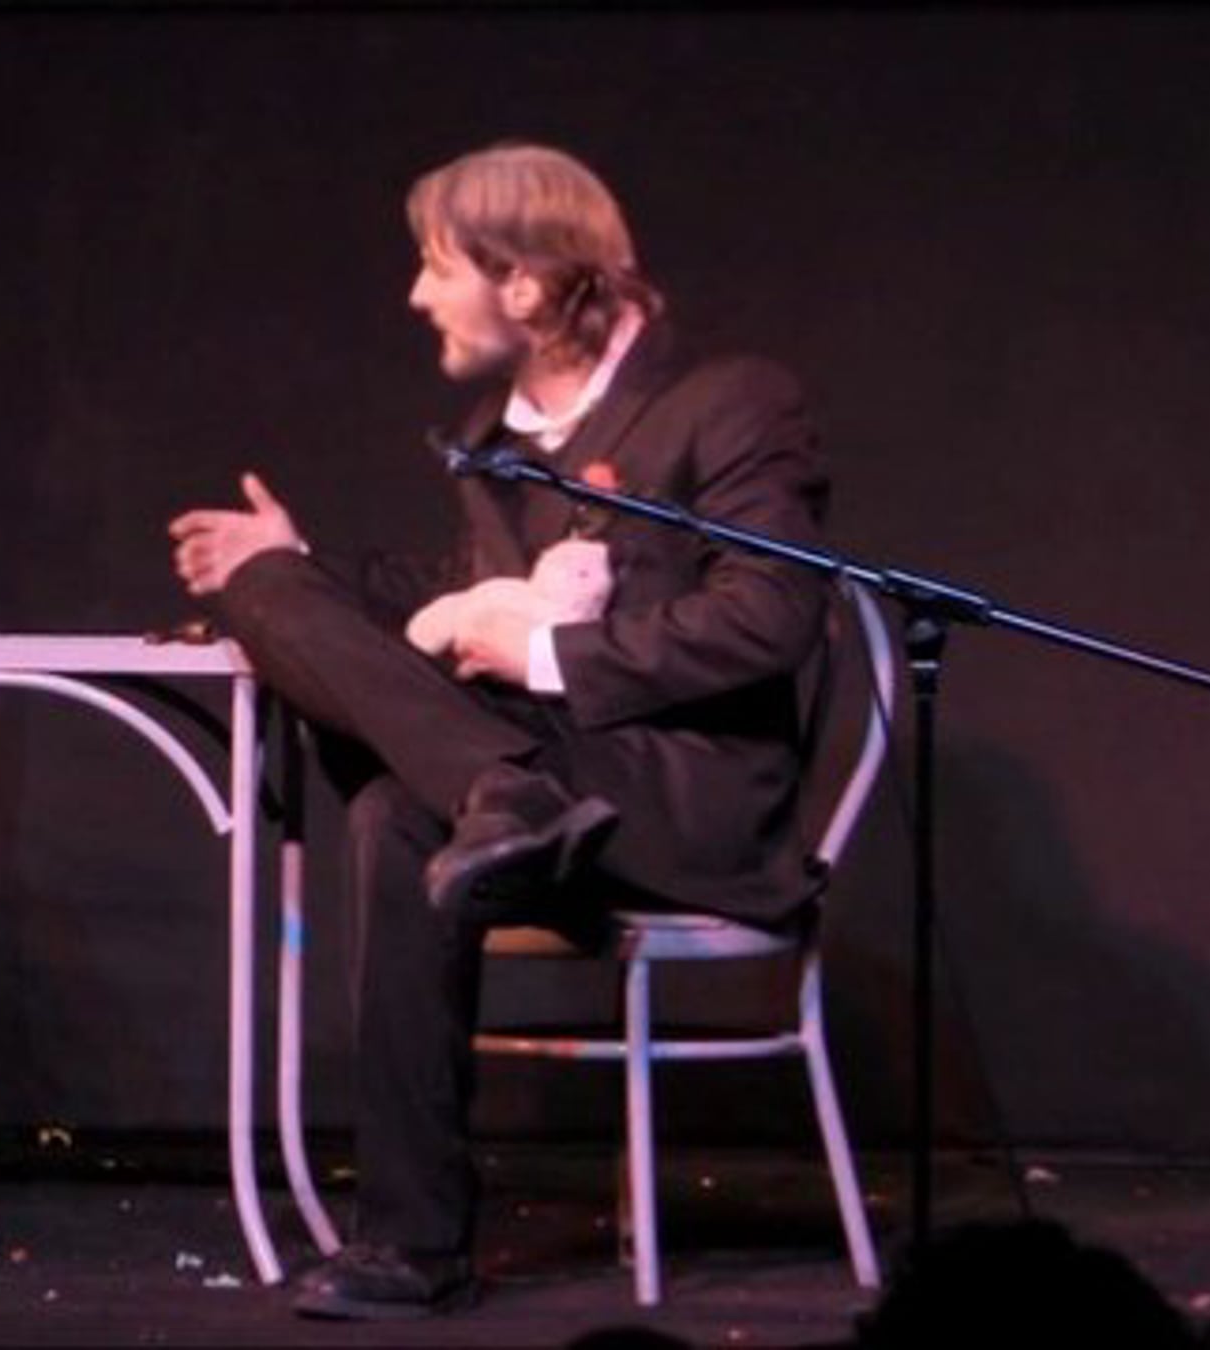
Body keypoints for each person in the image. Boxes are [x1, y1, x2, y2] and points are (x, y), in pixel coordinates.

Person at [167, 141, 831, 1320]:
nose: (416, 295)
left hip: (683, 799)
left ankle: (498, 791)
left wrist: (546, 657)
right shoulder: (497, 437)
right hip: (546, 794)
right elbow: (459, 585)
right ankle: (413, 1242)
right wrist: (301, 568)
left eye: (437, 267)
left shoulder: (727, 400)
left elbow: (771, 616)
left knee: (398, 803)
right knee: (273, 601)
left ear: (521, 283)